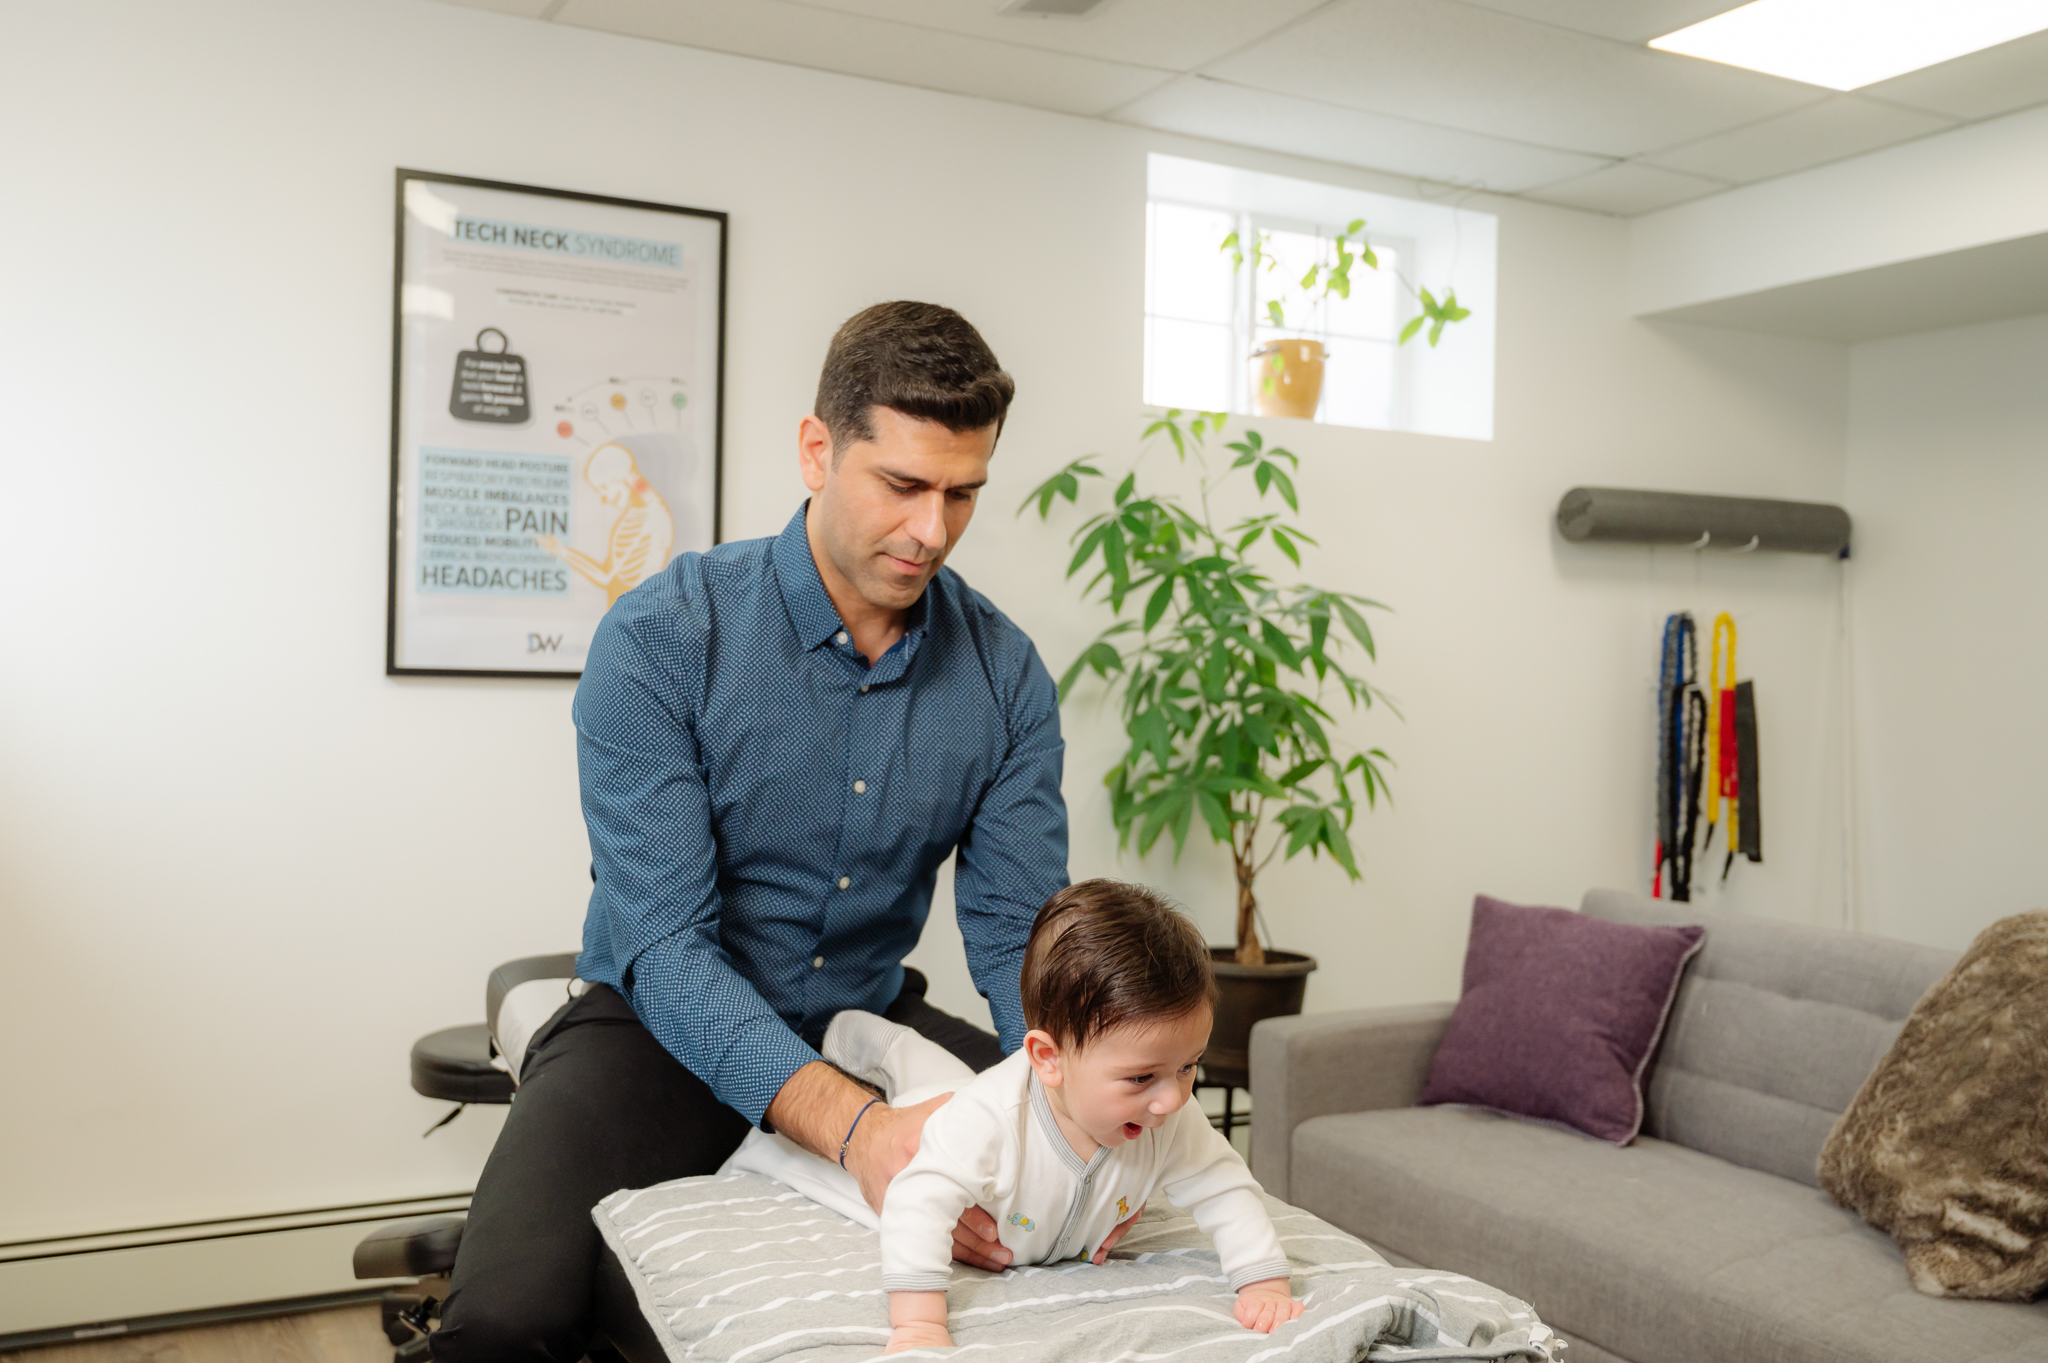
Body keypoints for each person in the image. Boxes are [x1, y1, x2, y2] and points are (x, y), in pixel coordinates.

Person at [432, 302, 1071, 1362]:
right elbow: (664, 946)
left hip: (863, 1019)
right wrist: (859, 1134)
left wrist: (1071, 1115)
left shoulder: (1004, 676)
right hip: (654, 1027)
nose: (932, 530)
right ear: (817, 450)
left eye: (962, 493)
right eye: (903, 484)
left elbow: (1016, 936)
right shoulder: (662, 639)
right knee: (503, 1323)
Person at [809, 880, 1304, 1354]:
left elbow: (1224, 1186)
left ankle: (895, 1044)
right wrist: (919, 1322)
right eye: (1141, 1077)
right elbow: (915, 1202)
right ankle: (876, 1037)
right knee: (915, 1091)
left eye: (1188, 1066)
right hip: (947, 1108)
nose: (1172, 1100)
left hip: (984, 1096)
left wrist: (1262, 1280)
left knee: (951, 1077)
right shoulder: (986, 1120)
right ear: (1049, 1059)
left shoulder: (1171, 1113)